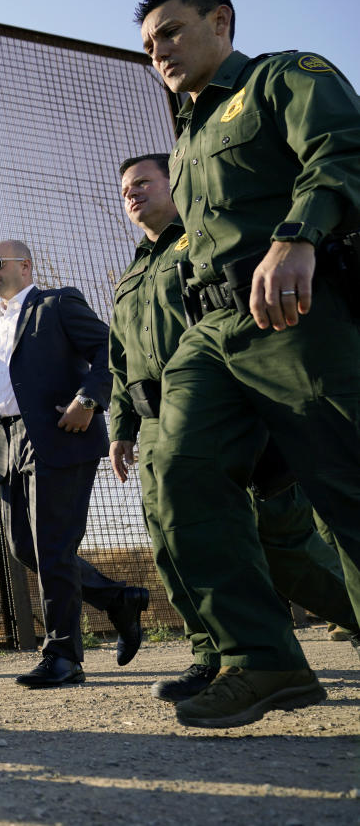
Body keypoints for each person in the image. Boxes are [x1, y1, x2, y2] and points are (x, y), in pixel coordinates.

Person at [136, 0, 360, 727]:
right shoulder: (187, 135)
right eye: (148, 44)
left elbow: (343, 147)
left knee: (345, 484)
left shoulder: (280, 79)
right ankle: (260, 658)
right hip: (214, 330)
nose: (160, 51)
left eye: (171, 31)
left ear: (221, 21)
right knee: (178, 467)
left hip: (295, 311)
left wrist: (298, 234)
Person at [109, 154, 359, 704]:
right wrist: (121, 426)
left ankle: (350, 614)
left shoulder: (200, 250)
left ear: (176, 186)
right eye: (124, 190)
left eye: (143, 183)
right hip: (157, 421)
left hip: (230, 408)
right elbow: (118, 359)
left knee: (284, 544)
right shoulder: (128, 276)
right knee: (175, 542)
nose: (132, 195)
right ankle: (215, 654)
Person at [0, 240, 150, 688]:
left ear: (25, 267)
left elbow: (109, 347)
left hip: (61, 435)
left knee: (52, 547)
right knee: (25, 548)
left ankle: (63, 655)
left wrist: (88, 400)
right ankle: (119, 599)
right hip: (4, 446)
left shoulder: (58, 303)